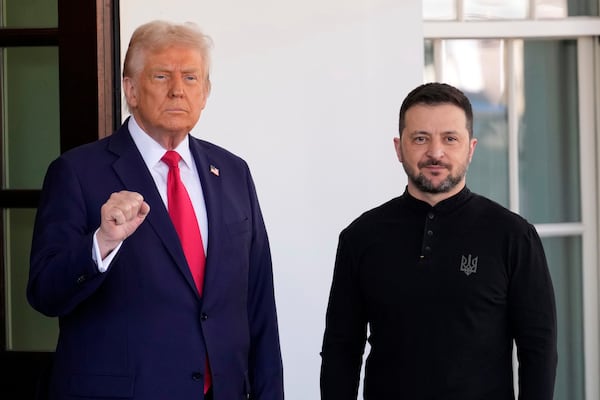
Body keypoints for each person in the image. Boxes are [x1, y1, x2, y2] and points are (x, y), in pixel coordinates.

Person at [28, 20, 284, 400]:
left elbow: (259, 302)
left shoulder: (233, 172)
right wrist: (101, 243)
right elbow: (45, 292)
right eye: (162, 76)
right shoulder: (77, 172)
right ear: (130, 90)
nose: (178, 90)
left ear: (206, 92)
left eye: (191, 78)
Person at [320, 82, 557, 399]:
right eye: (420, 139)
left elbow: (538, 349)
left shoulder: (513, 236)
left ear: (470, 149)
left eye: (450, 139)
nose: (435, 152)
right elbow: (341, 349)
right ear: (399, 147)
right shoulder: (360, 237)